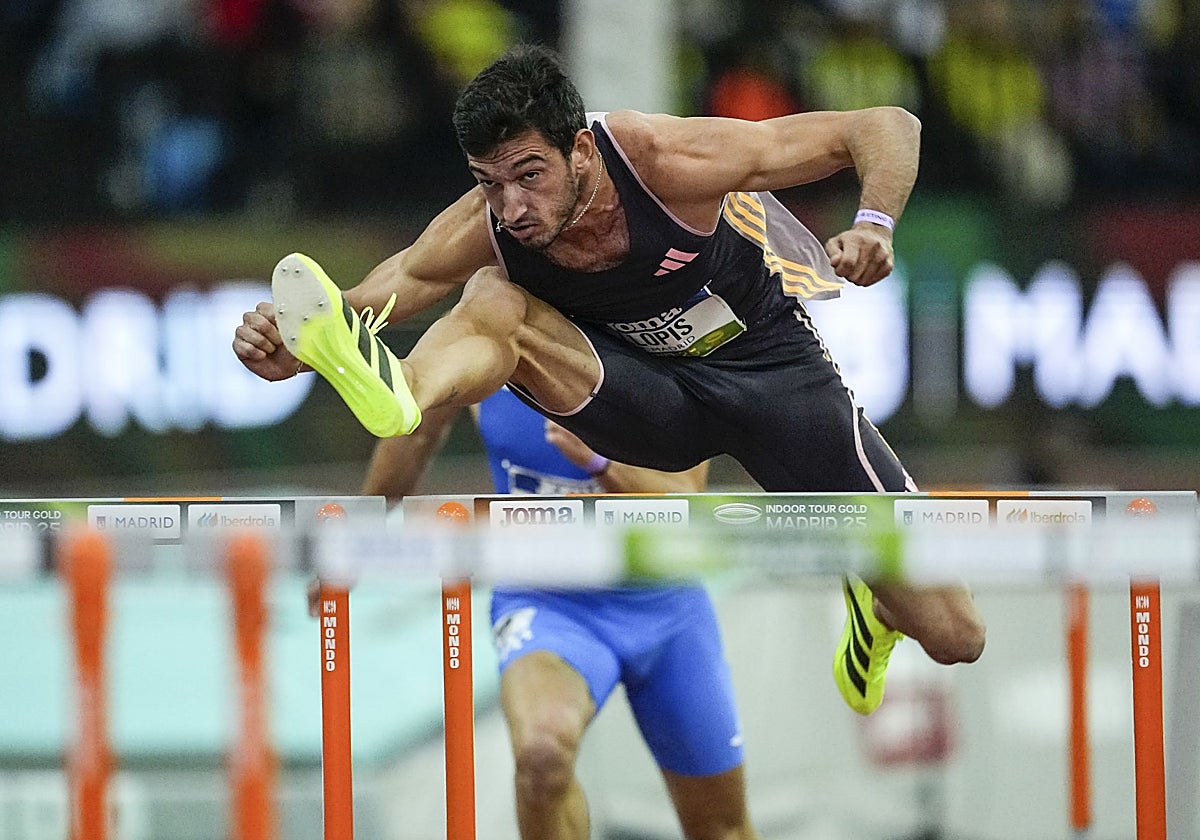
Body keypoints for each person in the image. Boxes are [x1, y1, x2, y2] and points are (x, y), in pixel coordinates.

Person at [234, 43, 985, 719]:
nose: (512, 207)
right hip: (637, 401)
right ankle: (402, 389)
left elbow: (886, 123)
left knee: (957, 636)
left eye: (530, 176)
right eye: (490, 184)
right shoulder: (490, 220)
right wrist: (295, 343)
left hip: (768, 377)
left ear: (582, 151)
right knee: (491, 299)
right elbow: (387, 287)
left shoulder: (660, 160)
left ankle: (873, 593)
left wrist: (876, 223)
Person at [363, 387, 759, 840]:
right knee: (541, 758)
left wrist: (601, 462)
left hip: (663, 604)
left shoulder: (652, 339)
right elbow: (415, 420)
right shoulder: (485, 337)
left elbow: (684, 495)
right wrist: (358, 538)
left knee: (721, 829)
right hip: (547, 600)